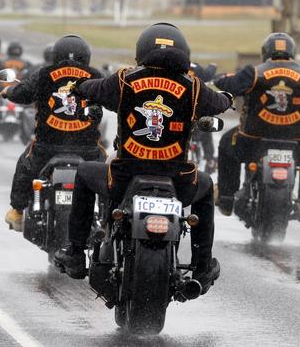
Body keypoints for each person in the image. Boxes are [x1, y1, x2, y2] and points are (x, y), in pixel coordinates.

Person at [53, 23, 232, 295]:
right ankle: (201, 266)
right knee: (205, 188)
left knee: (85, 173)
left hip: (124, 178)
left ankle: (76, 253)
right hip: (178, 180)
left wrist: (79, 88)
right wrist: (227, 97)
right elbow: (219, 103)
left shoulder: (125, 80)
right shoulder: (194, 87)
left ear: (142, 50)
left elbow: (95, 88)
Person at [213, 32, 300, 219]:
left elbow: (227, 85)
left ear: (266, 51)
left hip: (253, 140)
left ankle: (227, 198)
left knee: (226, 143)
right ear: (292, 52)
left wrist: (220, 77)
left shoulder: (253, 72)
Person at [0, 35, 106, 231]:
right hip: (87, 150)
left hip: (47, 148)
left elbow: (23, 93)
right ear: (86, 56)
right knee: (109, 172)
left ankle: (17, 211)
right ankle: (108, 217)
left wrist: (9, 92)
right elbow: (111, 96)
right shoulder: (96, 75)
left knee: (25, 165)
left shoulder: (44, 74)